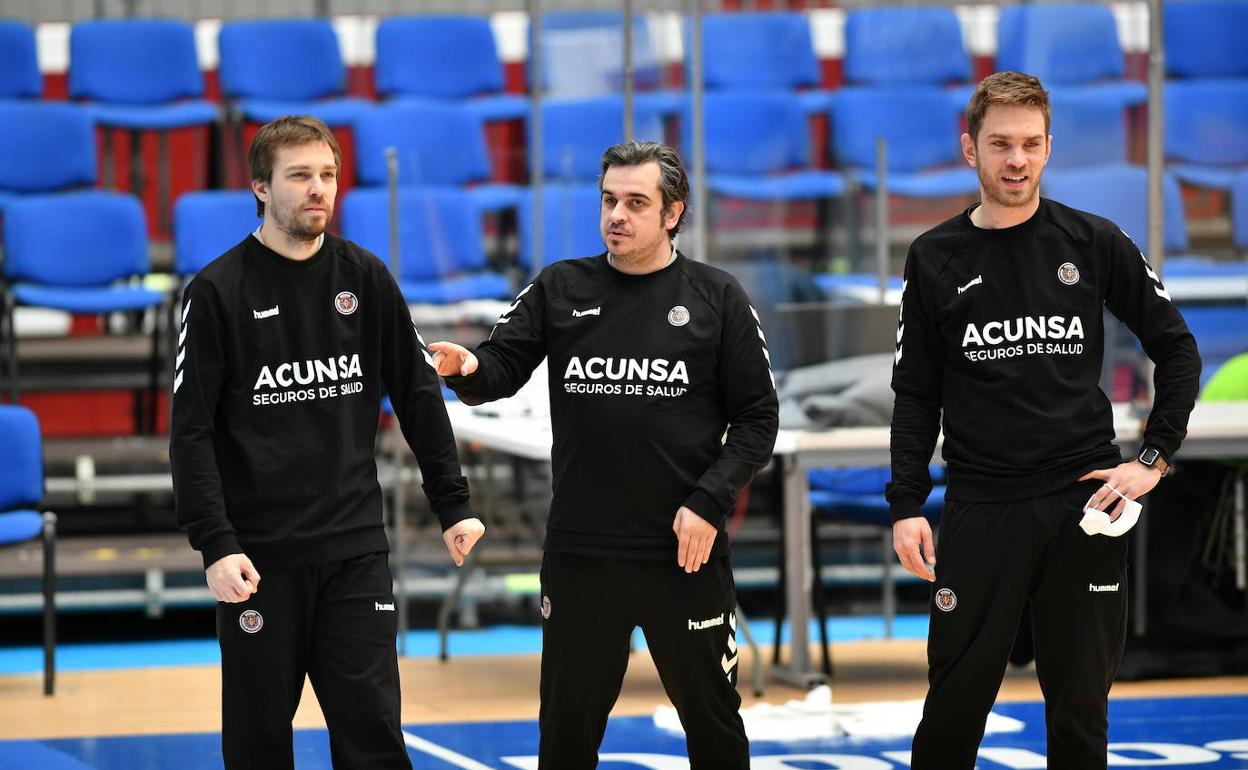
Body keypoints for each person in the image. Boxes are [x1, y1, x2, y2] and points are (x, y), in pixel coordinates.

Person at [887, 71, 1202, 769]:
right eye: (1000, 144)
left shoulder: (1092, 242)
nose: (1017, 160)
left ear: (1049, 148)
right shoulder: (935, 257)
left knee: (1081, 708)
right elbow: (915, 393)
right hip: (981, 509)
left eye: (1031, 144)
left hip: (1081, 504)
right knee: (954, 708)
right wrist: (906, 503)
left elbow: (1176, 348)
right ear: (971, 149)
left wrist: (1152, 460)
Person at [428, 141, 777, 769]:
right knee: (566, 734)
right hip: (582, 553)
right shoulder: (562, 286)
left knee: (715, 730)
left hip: (683, 552)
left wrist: (707, 501)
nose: (617, 214)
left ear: (673, 213)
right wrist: (468, 365)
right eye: (609, 200)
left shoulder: (717, 297)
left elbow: (758, 420)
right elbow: (502, 367)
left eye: (636, 203)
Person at [170, 115, 484, 769]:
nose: (319, 189)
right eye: (300, 176)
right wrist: (216, 544)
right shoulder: (218, 292)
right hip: (258, 562)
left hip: (353, 551)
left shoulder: (364, 277)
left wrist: (453, 502)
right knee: (259, 745)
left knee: (373, 736)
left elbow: (419, 393)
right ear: (260, 186)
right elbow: (191, 431)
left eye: (328, 175)